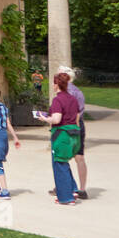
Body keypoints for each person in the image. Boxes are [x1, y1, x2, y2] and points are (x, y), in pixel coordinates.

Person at [40, 71, 82, 205]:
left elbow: (57, 119)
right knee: (64, 162)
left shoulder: (58, 99)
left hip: (61, 135)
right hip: (74, 135)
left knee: (59, 164)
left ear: (57, 84)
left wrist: (45, 118)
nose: (52, 85)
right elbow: (76, 118)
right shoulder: (73, 99)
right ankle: (73, 189)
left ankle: (66, 197)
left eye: (53, 83)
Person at [58, 66, 88, 199]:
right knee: (79, 157)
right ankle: (82, 189)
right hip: (78, 125)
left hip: (66, 125)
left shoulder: (65, 93)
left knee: (61, 157)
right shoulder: (78, 92)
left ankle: (65, 186)